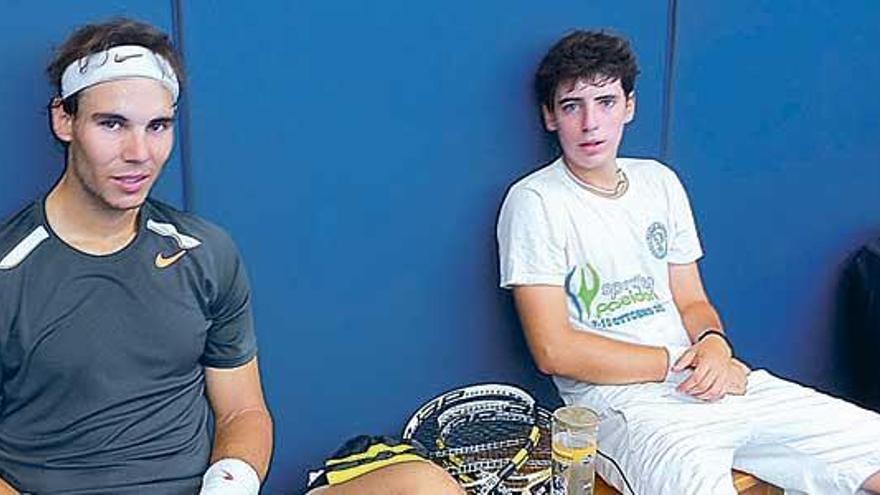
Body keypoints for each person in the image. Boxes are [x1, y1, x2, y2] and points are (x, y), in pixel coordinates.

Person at [497, 30, 880, 494]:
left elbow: (692, 300)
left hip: (712, 379)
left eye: (606, 101)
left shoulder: (659, 182)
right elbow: (554, 350)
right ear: (550, 117)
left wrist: (715, 342)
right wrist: (677, 360)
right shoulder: (535, 200)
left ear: (629, 106)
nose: (591, 123)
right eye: (572, 105)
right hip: (625, 407)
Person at [0, 18, 272, 494]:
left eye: (158, 126)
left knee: (419, 483)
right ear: (64, 120)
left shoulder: (207, 254)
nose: (139, 153)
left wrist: (230, 485)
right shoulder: (8, 270)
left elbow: (243, 410)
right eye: (112, 124)